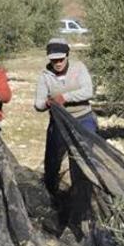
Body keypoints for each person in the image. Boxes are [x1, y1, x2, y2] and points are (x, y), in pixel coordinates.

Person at [34, 37, 97, 193]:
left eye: (61, 59)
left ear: (67, 56)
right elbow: (38, 104)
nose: (58, 63)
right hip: (59, 123)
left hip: (83, 119)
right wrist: (47, 104)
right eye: (54, 60)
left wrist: (64, 97)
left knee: (82, 158)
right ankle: (52, 194)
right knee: (52, 161)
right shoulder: (45, 76)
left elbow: (88, 91)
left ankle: (82, 194)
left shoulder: (79, 68)